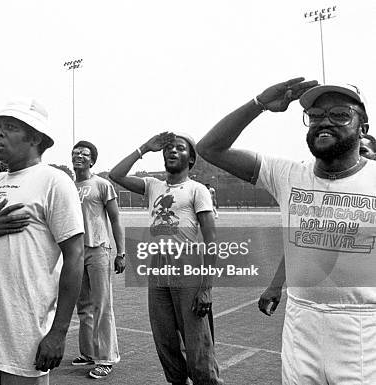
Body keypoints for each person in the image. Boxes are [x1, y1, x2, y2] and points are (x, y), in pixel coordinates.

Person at [197, 78, 376, 384]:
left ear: (363, 128)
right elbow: (209, 148)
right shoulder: (288, 174)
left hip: (362, 327)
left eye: (340, 115)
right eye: (316, 115)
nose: (325, 122)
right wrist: (259, 105)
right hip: (300, 322)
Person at [0, 98, 85, 385]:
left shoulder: (54, 181)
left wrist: (58, 332)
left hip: (27, 331)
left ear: (35, 138)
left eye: (9, 128)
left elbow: (75, 257)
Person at [110, 132, 222, 385]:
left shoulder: (197, 190)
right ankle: (176, 380)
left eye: (180, 148)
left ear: (190, 159)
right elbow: (115, 175)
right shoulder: (152, 185)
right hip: (159, 265)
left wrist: (206, 287)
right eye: (169, 147)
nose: (172, 151)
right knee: (165, 337)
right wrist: (144, 148)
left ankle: (208, 381)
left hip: (188, 265)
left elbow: (211, 240)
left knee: (196, 339)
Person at [258, 138, 376, 317]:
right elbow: (299, 247)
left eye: (363, 151)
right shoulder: (324, 196)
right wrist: (275, 286)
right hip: (314, 312)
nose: (354, 156)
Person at [70, 140, 125, 379]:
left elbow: (115, 219)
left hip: (98, 249)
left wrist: (120, 252)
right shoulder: (68, 186)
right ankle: (89, 353)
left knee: (102, 305)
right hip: (75, 252)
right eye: (76, 152)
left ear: (92, 160)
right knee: (83, 306)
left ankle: (106, 358)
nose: (79, 156)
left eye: (84, 153)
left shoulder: (102, 185)